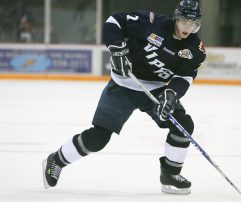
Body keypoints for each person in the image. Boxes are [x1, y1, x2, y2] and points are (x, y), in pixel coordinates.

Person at [42, 0, 206, 195]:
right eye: (184, 22)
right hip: (123, 85)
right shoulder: (151, 22)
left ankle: (170, 174)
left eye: (193, 24)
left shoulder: (195, 49)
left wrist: (171, 95)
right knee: (98, 138)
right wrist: (117, 48)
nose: (187, 28)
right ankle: (56, 160)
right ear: (176, 18)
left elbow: (184, 76)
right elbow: (114, 22)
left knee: (183, 126)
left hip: (155, 90)